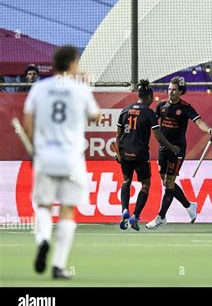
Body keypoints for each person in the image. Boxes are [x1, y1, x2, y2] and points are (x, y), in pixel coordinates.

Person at [23, 46, 100, 279]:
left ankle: (43, 239)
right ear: (74, 63)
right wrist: (86, 87)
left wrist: (33, 149)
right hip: (72, 160)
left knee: (43, 206)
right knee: (67, 210)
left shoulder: (39, 88)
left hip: (45, 158)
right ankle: (58, 266)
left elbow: (28, 124)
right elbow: (95, 116)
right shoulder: (80, 89)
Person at [146, 76, 212, 229]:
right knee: (166, 183)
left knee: (169, 183)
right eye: (169, 90)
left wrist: (210, 130)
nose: (170, 92)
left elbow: (199, 122)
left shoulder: (186, 107)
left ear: (180, 92)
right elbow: (151, 122)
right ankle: (189, 206)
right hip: (163, 149)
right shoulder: (161, 106)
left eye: (174, 90)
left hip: (177, 150)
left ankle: (161, 217)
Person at [116, 79, 180, 231]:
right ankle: (135, 216)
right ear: (149, 97)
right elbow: (158, 137)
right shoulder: (149, 113)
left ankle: (124, 210)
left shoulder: (125, 110)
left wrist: (118, 154)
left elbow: (117, 136)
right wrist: (172, 147)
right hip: (140, 154)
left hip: (124, 152)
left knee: (126, 180)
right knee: (145, 184)